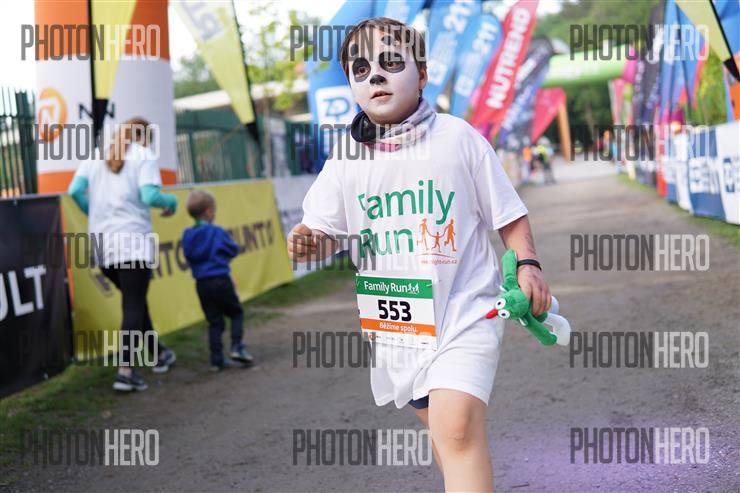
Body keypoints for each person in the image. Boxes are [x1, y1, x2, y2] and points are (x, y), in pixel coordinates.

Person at [287, 18, 552, 492]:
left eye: (390, 62)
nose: (375, 75)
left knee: (455, 428)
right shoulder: (346, 157)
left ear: (422, 74)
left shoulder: (458, 138)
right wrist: (311, 241)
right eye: (360, 69)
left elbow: (508, 215)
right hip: (398, 323)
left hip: (467, 309)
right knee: (448, 436)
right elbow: (327, 231)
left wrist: (528, 265)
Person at [68, 117, 178, 392]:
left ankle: (158, 353)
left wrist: (93, 213)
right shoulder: (143, 155)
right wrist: (172, 202)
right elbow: (151, 196)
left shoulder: (96, 155)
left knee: (135, 301)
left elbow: (74, 191)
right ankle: (126, 370)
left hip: (102, 244)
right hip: (132, 242)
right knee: (133, 304)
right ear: (145, 137)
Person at [181, 190, 254, 371]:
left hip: (201, 284)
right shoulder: (216, 232)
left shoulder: (187, 235)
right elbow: (232, 250)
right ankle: (237, 347)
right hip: (220, 280)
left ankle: (216, 359)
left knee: (214, 321)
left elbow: (187, 255)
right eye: (214, 210)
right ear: (208, 211)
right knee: (236, 312)